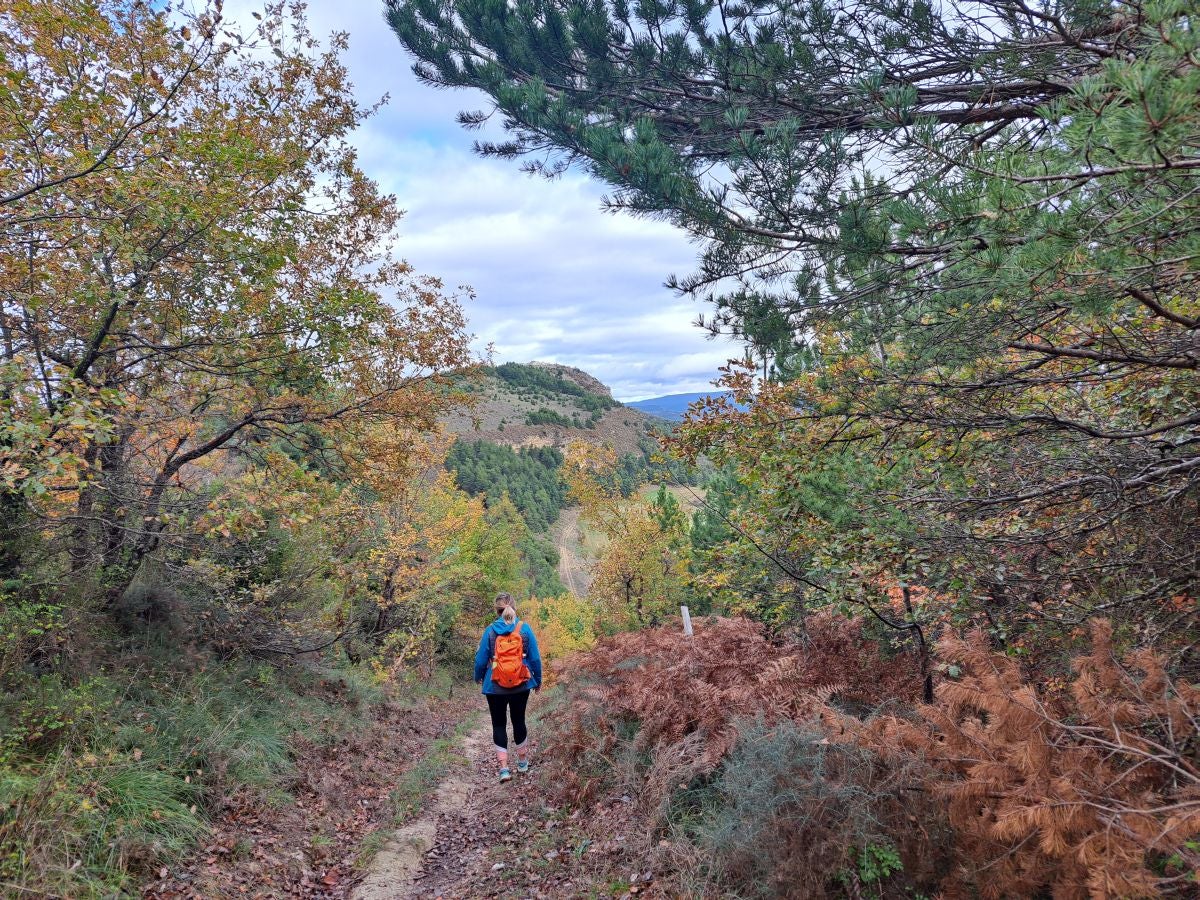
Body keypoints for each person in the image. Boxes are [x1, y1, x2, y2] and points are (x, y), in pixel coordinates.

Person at [474, 592, 542, 783]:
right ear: (514, 607)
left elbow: (480, 660)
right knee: (519, 720)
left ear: (497, 610)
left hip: (494, 685)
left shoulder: (490, 631)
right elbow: (535, 658)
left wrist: (478, 677)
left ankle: (504, 768)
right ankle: (522, 762)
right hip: (521, 684)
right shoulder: (524, 629)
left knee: (498, 724)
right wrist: (538, 680)